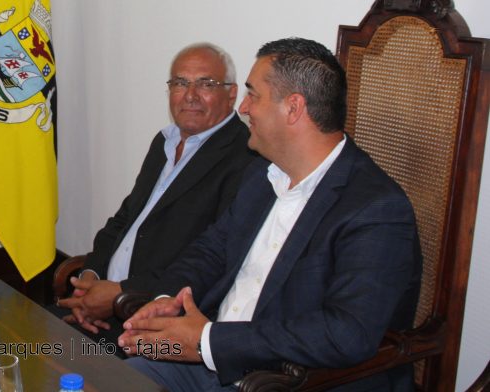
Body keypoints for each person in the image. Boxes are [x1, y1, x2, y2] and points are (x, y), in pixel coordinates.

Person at [119, 38, 422, 392]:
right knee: (109, 380)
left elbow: (346, 333)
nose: (244, 108)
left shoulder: (375, 208)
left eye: (253, 95)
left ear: (293, 108)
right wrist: (166, 301)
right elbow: (211, 252)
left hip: (288, 380)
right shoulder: (261, 175)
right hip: (211, 362)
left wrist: (209, 340)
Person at [55, 43, 255, 348]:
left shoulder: (245, 157)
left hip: (150, 318)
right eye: (180, 83)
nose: (190, 95)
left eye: (206, 84)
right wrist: (90, 280)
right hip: (102, 304)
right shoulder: (164, 142)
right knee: (12, 341)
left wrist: (120, 294)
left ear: (231, 93)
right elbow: (125, 218)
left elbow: (214, 259)